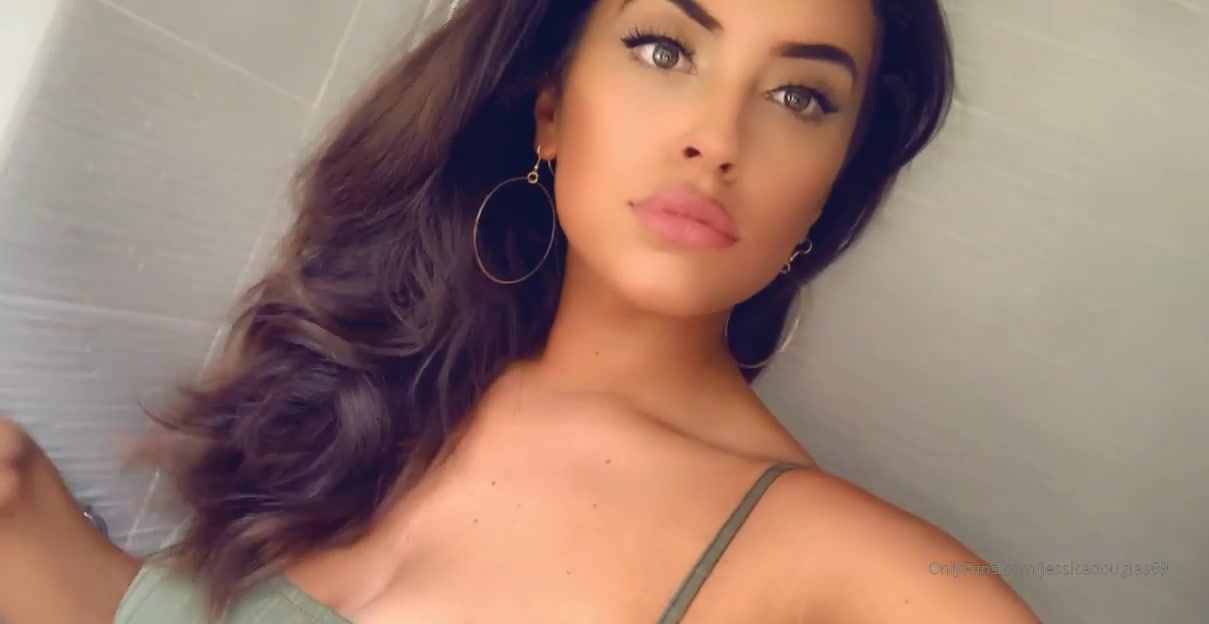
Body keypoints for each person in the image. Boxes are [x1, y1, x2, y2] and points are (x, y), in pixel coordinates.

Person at [0, 0, 1042, 622]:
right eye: (665, 49)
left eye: (799, 96)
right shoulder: (382, 382)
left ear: (830, 187)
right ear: (550, 107)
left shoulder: (850, 572)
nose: (717, 138)